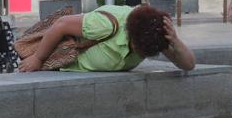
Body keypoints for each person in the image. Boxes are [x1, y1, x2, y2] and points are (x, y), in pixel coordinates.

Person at [18, 5, 196, 72]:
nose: (141, 55)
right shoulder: (106, 25)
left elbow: (188, 65)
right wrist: (37, 58)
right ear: (131, 36)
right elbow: (61, 24)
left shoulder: (151, 37)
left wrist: (175, 41)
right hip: (56, 60)